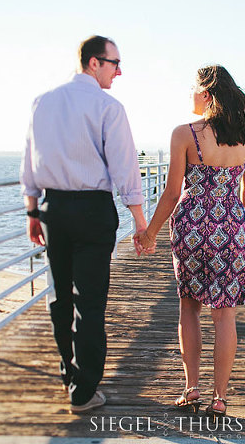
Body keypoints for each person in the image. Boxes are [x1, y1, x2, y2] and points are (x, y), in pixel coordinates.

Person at [20, 35, 147, 414]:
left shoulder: (41, 102)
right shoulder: (108, 106)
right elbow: (125, 167)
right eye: (114, 63)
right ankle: (83, 390)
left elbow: (29, 160)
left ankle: (69, 374)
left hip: (53, 209)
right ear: (94, 62)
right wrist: (140, 222)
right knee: (89, 303)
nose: (119, 71)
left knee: (61, 296)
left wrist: (32, 210)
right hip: (92, 210)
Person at [135, 65, 245, 417]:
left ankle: (191, 388)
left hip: (192, 227)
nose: (190, 95)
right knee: (225, 316)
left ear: (207, 93)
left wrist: (150, 234)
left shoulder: (184, 134)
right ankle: (219, 397)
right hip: (230, 229)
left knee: (189, 307)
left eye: (193, 88)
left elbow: (171, 192)